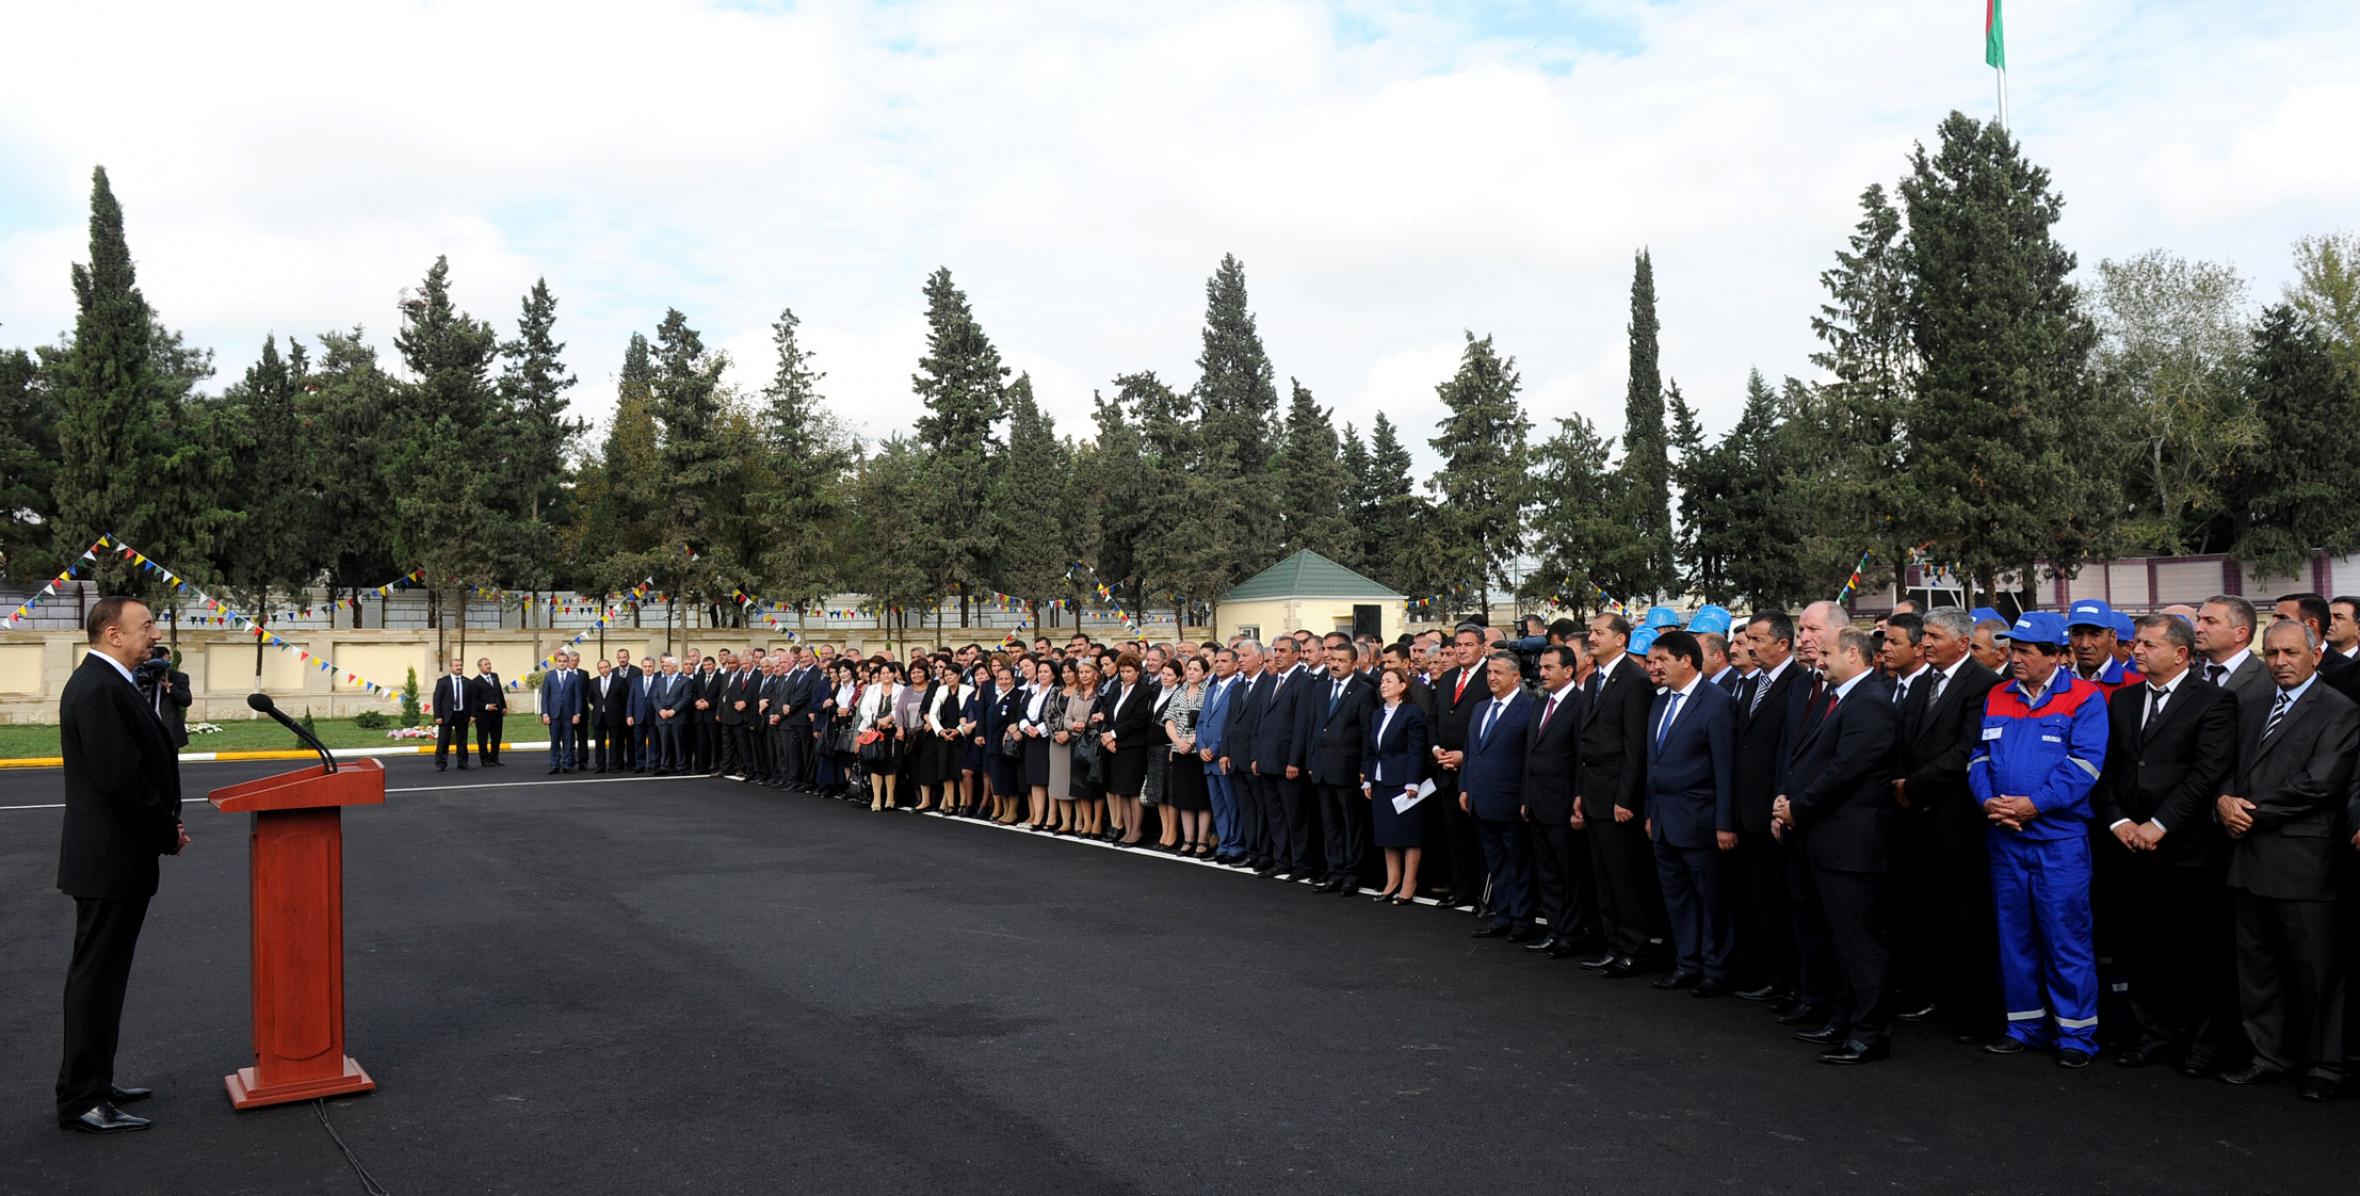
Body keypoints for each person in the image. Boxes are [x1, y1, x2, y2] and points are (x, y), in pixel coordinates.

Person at [55, 596, 186, 1134]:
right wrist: (166, 830)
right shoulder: (98, 688)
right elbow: (120, 781)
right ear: (113, 634)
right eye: (145, 625)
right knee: (96, 981)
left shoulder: (112, 684)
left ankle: (96, 1082)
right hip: (109, 859)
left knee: (105, 980)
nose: (153, 633)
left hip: (117, 859)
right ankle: (82, 1098)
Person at [2217, 620, 2357, 1100]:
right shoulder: (2251, 706)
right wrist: (2222, 802)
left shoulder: (2341, 711)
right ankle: (2268, 1056)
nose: (2279, 662)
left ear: (2316, 655)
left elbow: (2320, 784)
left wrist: (2247, 811)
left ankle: (2324, 1066)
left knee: (2317, 975)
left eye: (2290, 652)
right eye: (2272, 653)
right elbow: (2225, 770)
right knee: (2257, 970)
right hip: (2247, 859)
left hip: (2304, 865)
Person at [2094, 613, 2239, 1074]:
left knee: (2194, 951)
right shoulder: (2123, 700)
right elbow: (2109, 769)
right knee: (2140, 947)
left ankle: (2202, 1043)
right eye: (2135, 643)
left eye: (2147, 645)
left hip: (2186, 850)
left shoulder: (2215, 702)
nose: (2135, 651)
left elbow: (2206, 774)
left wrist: (2159, 824)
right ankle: (2151, 1034)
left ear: (2180, 654)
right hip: (2129, 847)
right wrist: (2119, 823)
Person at [1970, 611, 2109, 1068]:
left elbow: (2085, 766)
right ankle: (2024, 1026)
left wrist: (2034, 805)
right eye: (2012, 650)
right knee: (2015, 938)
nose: (2015, 658)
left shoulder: (2084, 699)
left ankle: (2076, 1036)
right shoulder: (1997, 695)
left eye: (2026, 651)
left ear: (2055, 656)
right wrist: (1989, 801)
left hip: (2058, 842)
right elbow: (1979, 758)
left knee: (2065, 938)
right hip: (2005, 839)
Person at [1774, 627, 1899, 1065]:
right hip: (1827, 840)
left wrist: (1798, 808)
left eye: (1825, 653)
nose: (1819, 660)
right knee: (1839, 941)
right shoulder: (1846, 698)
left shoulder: (1869, 702)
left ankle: (1870, 1033)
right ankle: (1846, 1020)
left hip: (1852, 845)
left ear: (1852, 653)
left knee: (1860, 943)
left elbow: (1847, 769)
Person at [1891, 607, 2006, 1048]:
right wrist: (1901, 784)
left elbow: (1967, 750)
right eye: (1924, 636)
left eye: (1934, 636)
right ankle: (1940, 997)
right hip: (1916, 818)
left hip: (1958, 819)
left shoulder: (1984, 685)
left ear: (1962, 642)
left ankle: (1976, 1011)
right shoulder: (1923, 684)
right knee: (1930, 914)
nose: (1926, 643)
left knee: (1966, 917)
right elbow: (1905, 741)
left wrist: (1914, 784)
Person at [1641, 629, 1739, 996]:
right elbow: (1655, 762)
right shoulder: (1660, 701)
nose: (1655, 667)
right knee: (1677, 898)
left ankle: (1717, 968)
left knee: (1711, 899)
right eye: (1652, 660)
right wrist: (1651, 811)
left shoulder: (1716, 702)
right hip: (1665, 819)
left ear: (1686, 660)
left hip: (1701, 821)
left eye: (1662, 659)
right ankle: (1687, 963)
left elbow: (1725, 768)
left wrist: (1725, 823)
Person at [1577, 614, 1660, 977]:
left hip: (1617, 797)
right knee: (1604, 876)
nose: (1592, 638)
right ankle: (1615, 944)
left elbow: (1634, 746)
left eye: (1599, 632)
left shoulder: (1635, 681)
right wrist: (1580, 792)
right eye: (1591, 632)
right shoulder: (1595, 678)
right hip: (1593, 791)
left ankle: (1635, 948)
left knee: (1624, 877)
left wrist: (1626, 797)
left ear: (1621, 640)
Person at [1731, 612, 1806, 1009]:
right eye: (1748, 639)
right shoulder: (1749, 684)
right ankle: (1769, 973)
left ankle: (1789, 979)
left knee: (1781, 903)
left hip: (1775, 812)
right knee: (1758, 900)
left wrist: (1781, 803)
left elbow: (1790, 749)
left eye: (1757, 639)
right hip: (1748, 811)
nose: (1750, 646)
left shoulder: (1798, 684)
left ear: (1782, 643)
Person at [1522, 644, 1595, 958]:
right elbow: (1530, 755)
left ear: (1569, 670)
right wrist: (1526, 798)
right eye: (1541, 667)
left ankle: (1572, 933)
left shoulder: (1580, 705)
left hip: (1563, 805)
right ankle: (1555, 929)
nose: (1542, 673)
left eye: (1550, 668)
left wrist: (1577, 801)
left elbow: (1581, 759)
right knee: (1548, 872)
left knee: (1569, 873)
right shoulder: (1540, 704)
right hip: (1538, 803)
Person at [1462, 652, 1538, 941]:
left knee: (1518, 862)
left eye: (1498, 672)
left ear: (1516, 677)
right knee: (1496, 863)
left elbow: (1528, 759)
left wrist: (1525, 798)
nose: (1492, 677)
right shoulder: (1480, 708)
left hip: (1510, 800)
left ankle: (1522, 919)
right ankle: (1502, 914)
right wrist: (1466, 787)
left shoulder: (1528, 709)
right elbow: (1471, 753)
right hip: (1481, 799)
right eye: (1489, 672)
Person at [1300, 633, 1376, 891]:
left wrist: (1366, 768)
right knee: (1330, 823)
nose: (1335, 664)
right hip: (1321, 766)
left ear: (1354, 664)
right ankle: (1334, 871)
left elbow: (1367, 733)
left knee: (1350, 823)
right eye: (1332, 660)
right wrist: (1311, 760)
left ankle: (1352, 873)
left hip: (1348, 768)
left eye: (1341, 660)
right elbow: (1313, 726)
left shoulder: (1364, 691)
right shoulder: (1320, 689)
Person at [1362, 665, 1431, 905]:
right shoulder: (1378, 714)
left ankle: (1409, 884)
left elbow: (1416, 751)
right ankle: (1392, 881)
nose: (1383, 685)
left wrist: (1412, 781)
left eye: (1389, 681)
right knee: (1386, 834)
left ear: (1403, 686)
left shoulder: (1412, 713)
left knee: (1409, 834)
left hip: (1404, 782)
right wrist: (1368, 778)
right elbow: (1371, 750)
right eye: (1382, 681)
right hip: (1381, 780)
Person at [1249, 636, 1315, 879]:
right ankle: (1282, 860)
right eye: (1275, 650)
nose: (1277, 654)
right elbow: (1260, 720)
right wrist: (1255, 755)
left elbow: (1301, 725)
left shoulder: (1304, 682)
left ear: (1296, 655)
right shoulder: (1271, 680)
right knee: (1275, 815)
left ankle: (1301, 863)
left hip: (1287, 761)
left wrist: (1295, 761)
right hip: (1266, 759)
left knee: (1295, 815)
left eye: (1283, 650)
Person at [1099, 654, 1158, 848]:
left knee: (1132, 791)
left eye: (1129, 671)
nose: (1125, 675)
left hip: (1133, 747)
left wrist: (1113, 734)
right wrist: (1107, 736)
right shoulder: (1116, 689)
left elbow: (1138, 720)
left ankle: (1136, 830)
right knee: (1119, 790)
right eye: (1122, 671)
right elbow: (1108, 714)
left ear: (1138, 672)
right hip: (1114, 747)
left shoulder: (1144, 691)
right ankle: (1127, 828)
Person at [1196, 647, 1245, 864]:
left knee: (1231, 803)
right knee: (1218, 805)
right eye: (1217, 660)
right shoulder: (1211, 688)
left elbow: (1230, 724)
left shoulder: (1238, 688)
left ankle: (1236, 845)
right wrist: (1200, 746)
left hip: (1223, 755)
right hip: (1206, 756)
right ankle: (1224, 844)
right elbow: (1201, 721)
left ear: (1235, 665)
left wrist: (1214, 748)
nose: (1219, 664)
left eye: (1224, 661)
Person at [1164, 657, 1213, 856]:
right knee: (1183, 797)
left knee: (1201, 798)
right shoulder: (1179, 692)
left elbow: (1207, 721)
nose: (1192, 672)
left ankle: (1202, 840)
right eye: (1189, 668)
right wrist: (1178, 742)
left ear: (1205, 673)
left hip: (1199, 751)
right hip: (1180, 750)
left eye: (1196, 669)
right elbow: (1169, 720)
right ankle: (1188, 838)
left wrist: (1192, 741)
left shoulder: (1208, 692)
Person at [2195, 594, 2270, 711]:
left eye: (2210, 621)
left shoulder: (2269, 680)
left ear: (2240, 633)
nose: (2198, 628)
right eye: (2198, 620)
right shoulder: (2187, 677)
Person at [2063, 599, 2142, 695]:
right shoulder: (2053, 684)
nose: (2085, 644)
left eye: (2095, 634)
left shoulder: (2135, 686)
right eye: (2077, 634)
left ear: (2112, 637)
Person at [858, 662, 902, 811]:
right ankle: (877, 797)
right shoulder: (872, 689)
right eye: (883, 673)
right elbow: (864, 708)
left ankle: (890, 796)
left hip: (892, 729)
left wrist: (889, 719)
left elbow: (900, 709)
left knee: (890, 764)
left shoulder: (901, 689)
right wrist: (877, 721)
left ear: (894, 674)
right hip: (874, 729)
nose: (886, 676)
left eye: (889, 673)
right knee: (875, 762)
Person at [135, 645, 191, 751]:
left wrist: (170, 687)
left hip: (169, 730)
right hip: (147, 727)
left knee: (170, 765)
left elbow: (186, 700)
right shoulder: (143, 676)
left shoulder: (179, 677)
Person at [540, 655, 583, 774]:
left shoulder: (574, 678)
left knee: (568, 740)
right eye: (560, 661)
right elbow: (545, 697)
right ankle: (554, 764)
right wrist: (545, 714)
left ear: (567, 662)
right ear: (556, 662)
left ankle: (567, 765)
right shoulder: (549, 676)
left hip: (569, 715)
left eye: (564, 661)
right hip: (553, 715)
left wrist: (577, 714)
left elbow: (578, 697)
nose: (562, 663)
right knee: (554, 741)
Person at [431, 657, 474, 771]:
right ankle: (441, 764)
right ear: (451, 667)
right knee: (443, 740)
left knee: (462, 741)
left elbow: (472, 700)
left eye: (460, 665)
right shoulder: (443, 682)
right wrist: (438, 716)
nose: (459, 667)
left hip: (462, 715)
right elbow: (437, 700)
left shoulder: (468, 682)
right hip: (446, 715)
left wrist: (472, 715)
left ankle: (463, 763)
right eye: (456, 665)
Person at [470, 657, 506, 765]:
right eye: (486, 664)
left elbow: (500, 692)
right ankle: (484, 759)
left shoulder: (495, 677)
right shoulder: (475, 682)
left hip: (497, 713)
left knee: (497, 737)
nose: (489, 666)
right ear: (480, 667)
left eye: (489, 664)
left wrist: (503, 706)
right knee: (483, 737)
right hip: (483, 715)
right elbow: (474, 700)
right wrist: (486, 706)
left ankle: (494, 757)